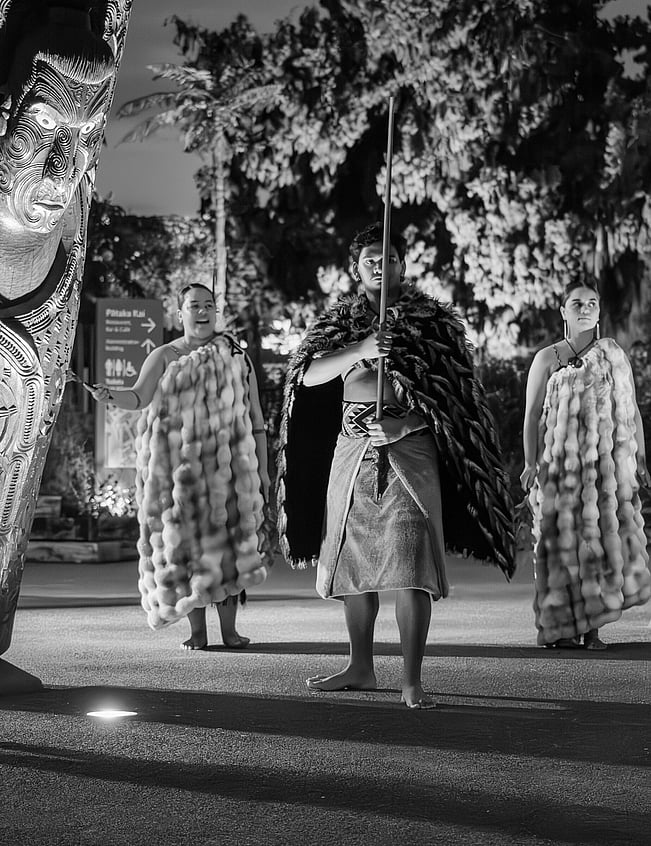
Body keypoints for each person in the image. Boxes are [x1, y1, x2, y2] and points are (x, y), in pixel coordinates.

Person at [276, 222, 515, 708]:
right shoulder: (338, 323)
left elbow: (455, 405)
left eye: (388, 259)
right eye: (369, 261)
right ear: (355, 269)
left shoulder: (433, 324)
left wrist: (405, 427)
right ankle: (360, 667)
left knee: (410, 564)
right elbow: (307, 377)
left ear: (402, 265)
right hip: (352, 451)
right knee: (353, 562)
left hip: (411, 451)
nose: (379, 267)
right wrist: (360, 350)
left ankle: (411, 678)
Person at [88, 283, 271, 648]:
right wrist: (112, 395)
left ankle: (230, 631)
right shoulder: (164, 356)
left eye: (208, 305)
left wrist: (263, 469)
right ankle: (197, 632)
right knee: (186, 549)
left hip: (230, 469)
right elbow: (139, 396)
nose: (201, 311)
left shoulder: (235, 355)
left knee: (229, 548)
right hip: (181, 475)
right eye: (193, 305)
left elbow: (256, 417)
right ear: (180, 312)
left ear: (215, 312)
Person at [520, 279, 651, 649]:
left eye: (591, 302)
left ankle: (593, 629)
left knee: (597, 542)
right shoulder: (548, 358)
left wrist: (639, 456)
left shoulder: (612, 355)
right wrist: (530, 464)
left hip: (602, 469)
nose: (585, 308)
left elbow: (632, 409)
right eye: (576, 303)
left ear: (599, 311)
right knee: (559, 542)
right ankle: (560, 626)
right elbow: (531, 416)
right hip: (559, 467)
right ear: (563, 311)